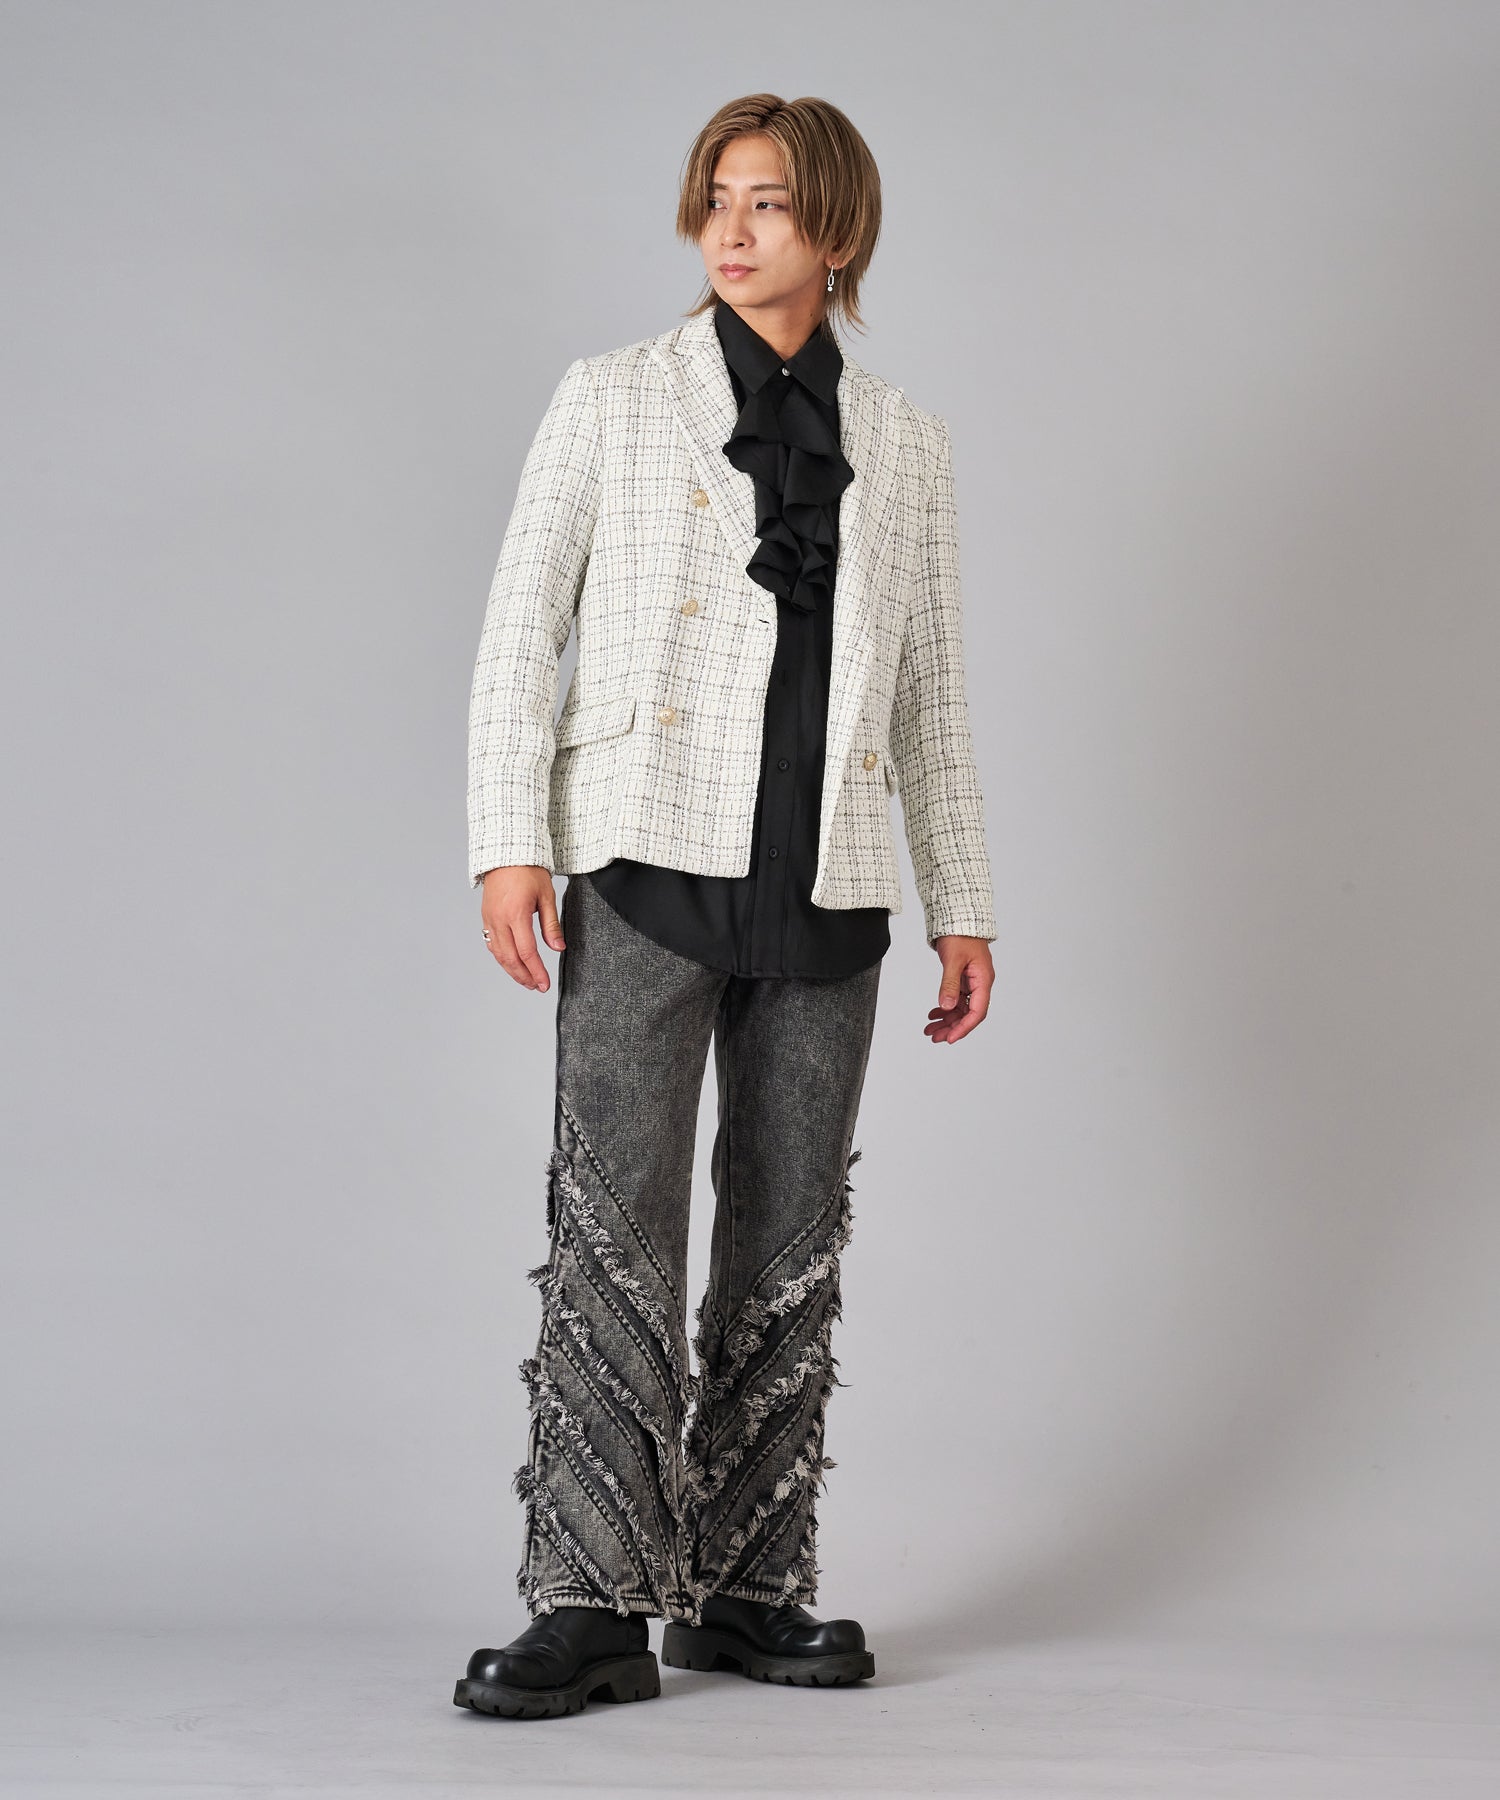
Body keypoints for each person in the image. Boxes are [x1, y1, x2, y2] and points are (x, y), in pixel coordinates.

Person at [453, 92, 996, 1721]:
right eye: (716, 198)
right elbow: (520, 627)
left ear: (838, 231)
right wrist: (507, 840)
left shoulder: (905, 440)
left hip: (828, 873)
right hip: (642, 853)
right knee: (612, 1218)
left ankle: (749, 1589)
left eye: (768, 202)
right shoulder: (613, 396)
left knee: (788, 1224)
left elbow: (933, 694)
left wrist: (964, 900)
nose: (732, 229)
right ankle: (591, 1603)